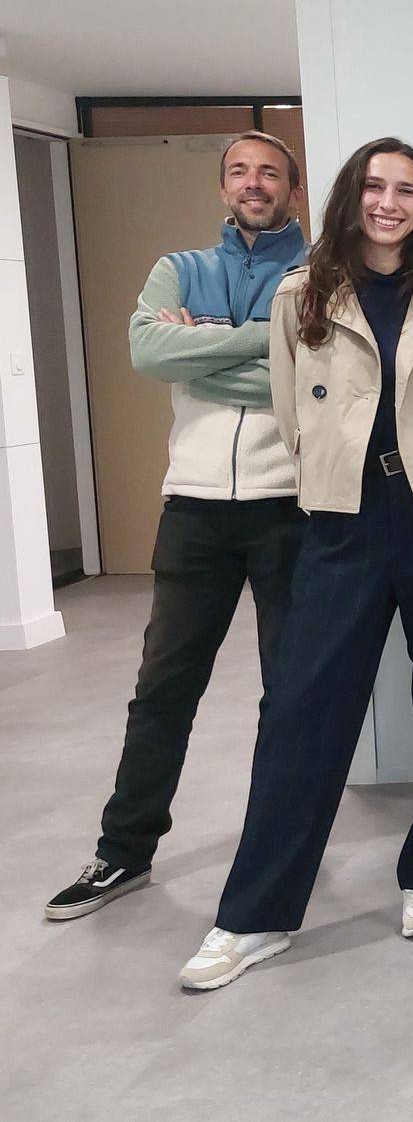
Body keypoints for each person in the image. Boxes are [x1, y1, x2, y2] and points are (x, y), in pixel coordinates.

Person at [180, 138, 413, 990]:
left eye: (405, 189)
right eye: (374, 186)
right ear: (350, 197)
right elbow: (292, 411)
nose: (389, 202)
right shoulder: (302, 294)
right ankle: (254, 914)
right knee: (304, 713)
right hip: (344, 520)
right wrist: (333, 474)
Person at [45, 132, 308, 922]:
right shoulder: (181, 267)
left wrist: (199, 344)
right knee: (163, 690)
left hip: (289, 507)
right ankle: (123, 852)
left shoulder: (315, 273)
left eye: (269, 172)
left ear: (293, 190)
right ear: (222, 187)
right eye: (239, 171)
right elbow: (146, 349)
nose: (253, 183)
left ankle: (279, 849)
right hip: (192, 507)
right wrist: (260, 342)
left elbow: (316, 368)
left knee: (289, 693)